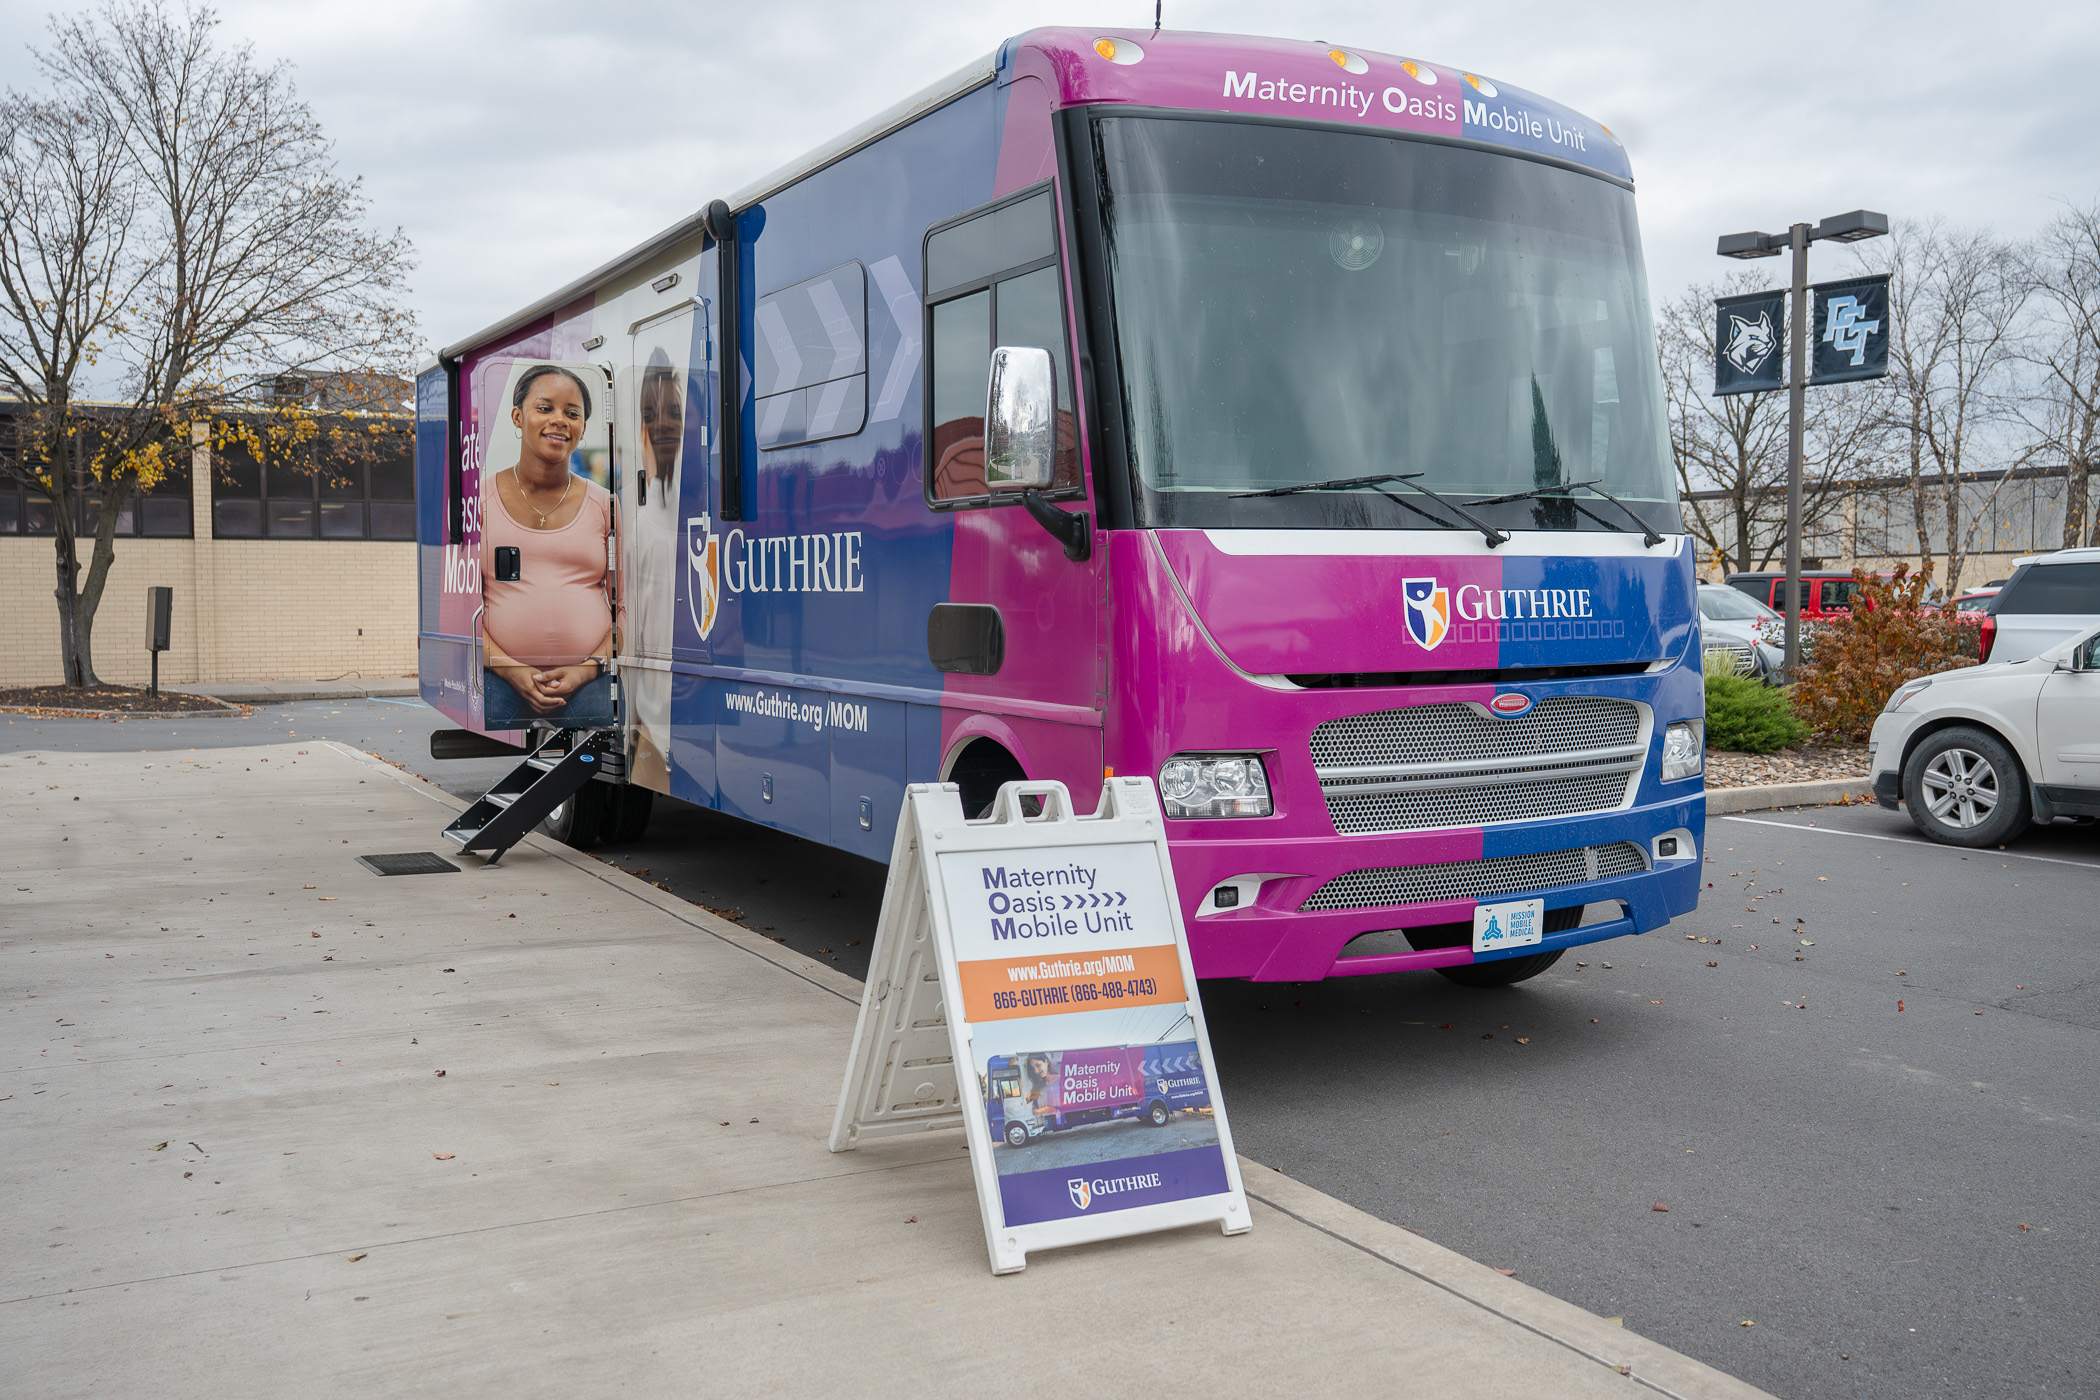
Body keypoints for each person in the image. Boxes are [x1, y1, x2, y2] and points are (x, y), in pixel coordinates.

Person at [481, 364, 616, 725]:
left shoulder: (606, 506)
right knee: (487, 718)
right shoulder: (479, 502)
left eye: (572, 413)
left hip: (588, 677)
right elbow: (458, 611)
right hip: (497, 675)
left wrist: (587, 669)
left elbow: (627, 609)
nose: (559, 420)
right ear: (517, 417)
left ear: (582, 428)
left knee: (606, 725)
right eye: (545, 408)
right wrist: (510, 669)